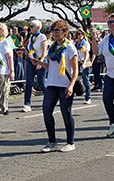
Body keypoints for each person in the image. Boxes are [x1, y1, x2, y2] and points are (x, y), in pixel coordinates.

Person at [31, 20, 78, 152]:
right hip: (51, 83)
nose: (54, 33)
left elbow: (75, 70)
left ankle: (70, 142)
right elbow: (51, 66)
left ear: (65, 32)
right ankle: (52, 142)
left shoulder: (70, 48)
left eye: (57, 30)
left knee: (66, 113)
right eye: (53, 30)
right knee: (46, 111)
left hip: (65, 85)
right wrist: (39, 62)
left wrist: (71, 85)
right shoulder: (51, 47)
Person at [22, 20, 48, 112]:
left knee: (41, 82)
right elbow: (27, 48)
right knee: (29, 82)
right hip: (31, 61)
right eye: (30, 26)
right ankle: (27, 104)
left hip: (40, 60)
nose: (30, 28)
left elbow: (44, 51)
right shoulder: (31, 37)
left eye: (32, 26)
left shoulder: (42, 37)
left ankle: (49, 99)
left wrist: (40, 62)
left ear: (38, 27)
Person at [75, 28, 93, 104]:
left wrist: (84, 63)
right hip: (77, 62)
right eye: (78, 34)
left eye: (81, 34)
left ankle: (88, 97)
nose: (80, 35)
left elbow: (86, 53)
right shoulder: (75, 44)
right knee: (75, 78)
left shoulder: (85, 43)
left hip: (85, 62)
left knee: (86, 79)